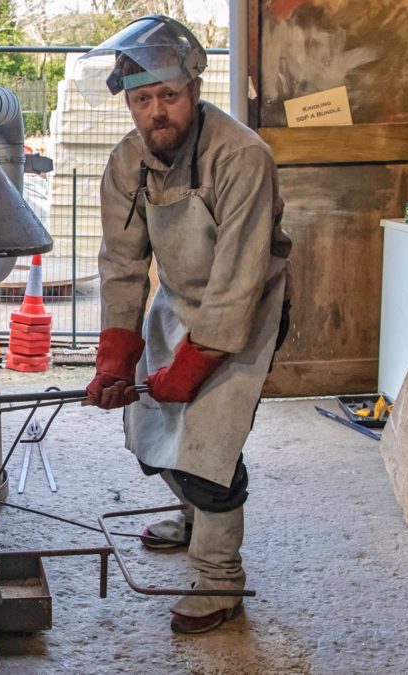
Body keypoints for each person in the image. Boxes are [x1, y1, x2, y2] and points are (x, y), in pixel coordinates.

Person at [79, 15, 292, 634]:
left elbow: (238, 279)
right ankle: (194, 516)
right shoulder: (126, 164)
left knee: (208, 444)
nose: (156, 113)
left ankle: (221, 578)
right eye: (142, 100)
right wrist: (114, 359)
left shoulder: (243, 156)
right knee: (150, 424)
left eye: (167, 96)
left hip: (247, 307)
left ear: (193, 90)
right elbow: (122, 266)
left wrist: (196, 363)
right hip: (177, 300)